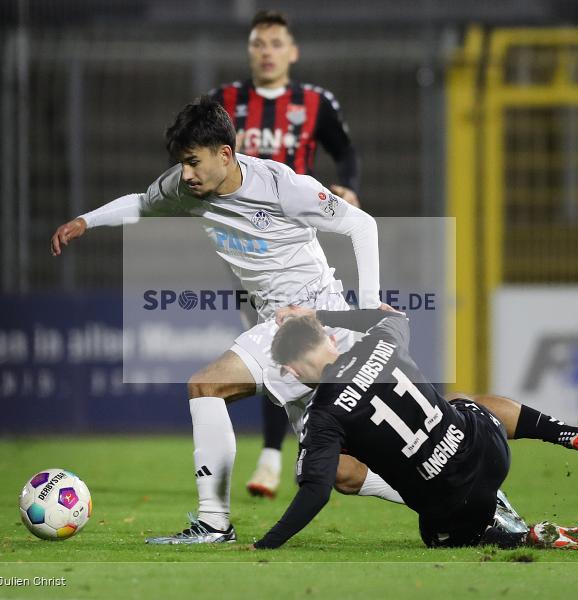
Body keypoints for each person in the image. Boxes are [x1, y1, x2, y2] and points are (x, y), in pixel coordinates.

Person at [50, 96, 399, 544]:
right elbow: (141, 203)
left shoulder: (280, 186)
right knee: (342, 472)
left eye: (193, 162)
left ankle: (214, 523)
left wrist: (368, 304)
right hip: (286, 325)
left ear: (226, 154)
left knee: (206, 385)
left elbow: (362, 225)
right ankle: (461, 498)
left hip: (310, 320)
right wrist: (85, 221)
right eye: (182, 163)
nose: (186, 173)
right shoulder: (186, 186)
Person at [252, 306, 578, 550]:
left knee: (437, 533)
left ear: (294, 372)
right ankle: (570, 435)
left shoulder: (324, 414)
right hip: (490, 453)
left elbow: (315, 491)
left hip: (452, 502)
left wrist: (266, 544)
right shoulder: (381, 343)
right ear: (330, 339)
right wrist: (317, 314)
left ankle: (527, 538)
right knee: (462, 402)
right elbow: (395, 315)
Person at [209, 9, 362, 498]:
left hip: (300, 243)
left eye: (276, 43)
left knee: (305, 345)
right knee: (272, 345)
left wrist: (349, 188)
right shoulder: (225, 103)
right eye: (258, 43)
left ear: (292, 51)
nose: (267, 51)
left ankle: (304, 451)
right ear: (249, 51)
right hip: (252, 250)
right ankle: (289, 453)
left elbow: (346, 152)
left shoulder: (314, 102)